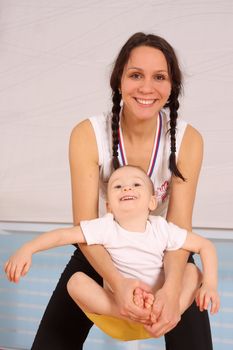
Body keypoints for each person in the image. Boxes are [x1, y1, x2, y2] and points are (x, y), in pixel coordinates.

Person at [16, 32, 214, 349]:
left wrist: (171, 290)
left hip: (164, 254)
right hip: (103, 248)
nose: (147, 87)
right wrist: (119, 283)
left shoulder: (189, 140)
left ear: (172, 85)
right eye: (136, 75)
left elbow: (179, 230)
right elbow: (84, 227)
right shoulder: (87, 134)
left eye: (159, 77)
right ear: (118, 80)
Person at [4, 165, 220, 342]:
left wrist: (210, 284)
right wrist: (27, 249)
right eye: (117, 186)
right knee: (75, 282)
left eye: (136, 184)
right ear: (109, 206)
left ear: (152, 202)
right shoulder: (105, 227)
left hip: (162, 314)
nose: (126, 188)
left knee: (193, 271)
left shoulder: (161, 229)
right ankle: (136, 313)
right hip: (119, 314)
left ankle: (153, 314)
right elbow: (62, 236)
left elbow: (205, 246)